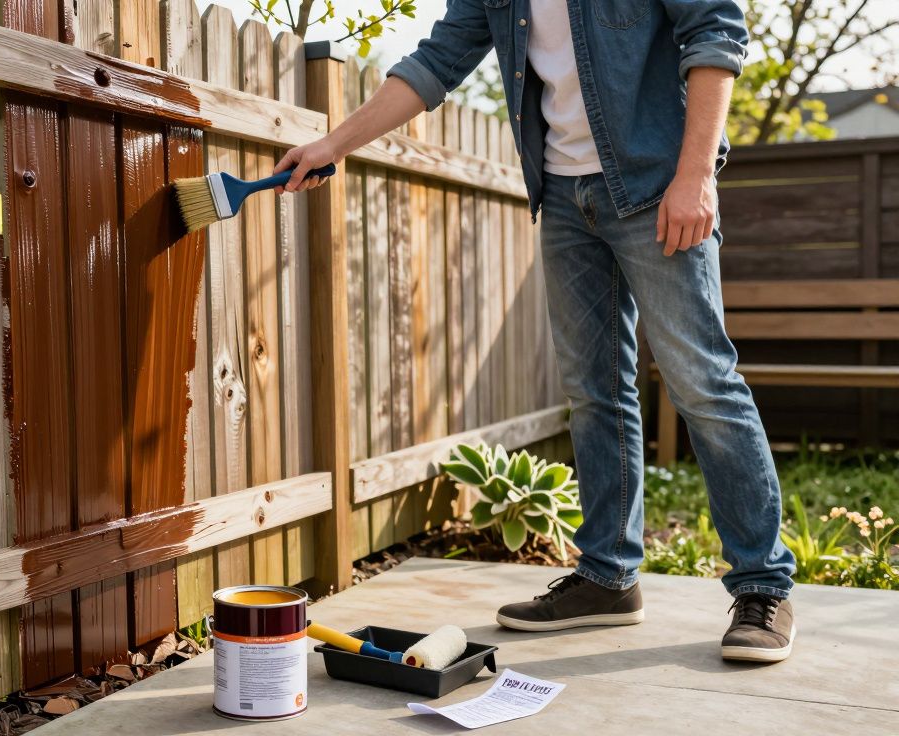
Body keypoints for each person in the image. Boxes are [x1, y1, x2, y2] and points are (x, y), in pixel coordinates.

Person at [275, 0, 797, 663]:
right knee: (594, 393)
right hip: (562, 196)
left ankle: (762, 585)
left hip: (656, 184)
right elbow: (435, 62)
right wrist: (333, 145)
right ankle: (607, 579)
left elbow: (716, 33)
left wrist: (695, 175)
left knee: (703, 384)